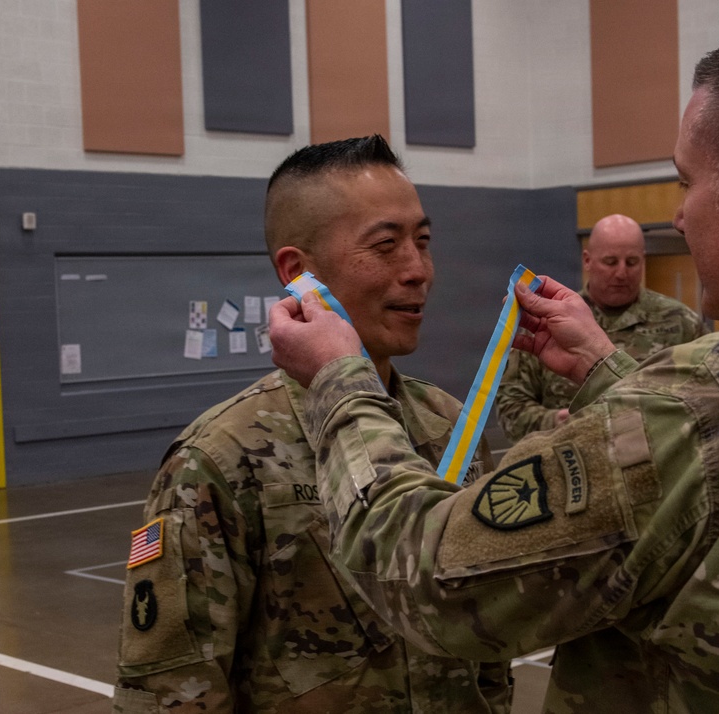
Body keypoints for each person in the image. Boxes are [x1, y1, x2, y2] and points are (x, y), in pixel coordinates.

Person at [268, 16, 719, 712]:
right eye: (387, 244)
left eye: (688, 182)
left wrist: (339, 380)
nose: (681, 217)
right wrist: (608, 369)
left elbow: (431, 581)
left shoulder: (705, 397)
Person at [111, 135, 511, 713]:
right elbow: (169, 695)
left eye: (423, 242)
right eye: (386, 246)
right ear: (299, 273)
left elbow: (486, 642)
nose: (418, 270)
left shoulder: (451, 428)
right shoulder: (220, 460)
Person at [495, 213, 706, 440]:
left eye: (632, 262)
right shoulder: (550, 321)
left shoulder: (681, 322)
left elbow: (706, 403)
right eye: (611, 262)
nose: (622, 273)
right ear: (587, 260)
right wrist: (557, 422)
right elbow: (510, 408)